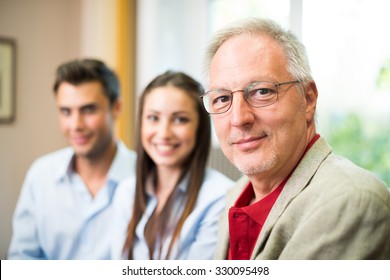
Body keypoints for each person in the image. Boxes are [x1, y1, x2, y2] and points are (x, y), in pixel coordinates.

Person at [201, 17, 390, 260]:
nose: (239, 118)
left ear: (308, 99)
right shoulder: (234, 196)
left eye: (262, 91)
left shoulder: (351, 200)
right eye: (222, 99)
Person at [8, 58, 136, 259]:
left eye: (88, 110)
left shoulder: (146, 177)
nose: (76, 125)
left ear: (116, 108)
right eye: (66, 111)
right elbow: (22, 259)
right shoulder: (41, 175)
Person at [110, 70, 234, 260]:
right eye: (153, 118)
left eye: (180, 119)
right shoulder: (127, 192)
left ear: (199, 127)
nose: (164, 133)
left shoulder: (220, 197)